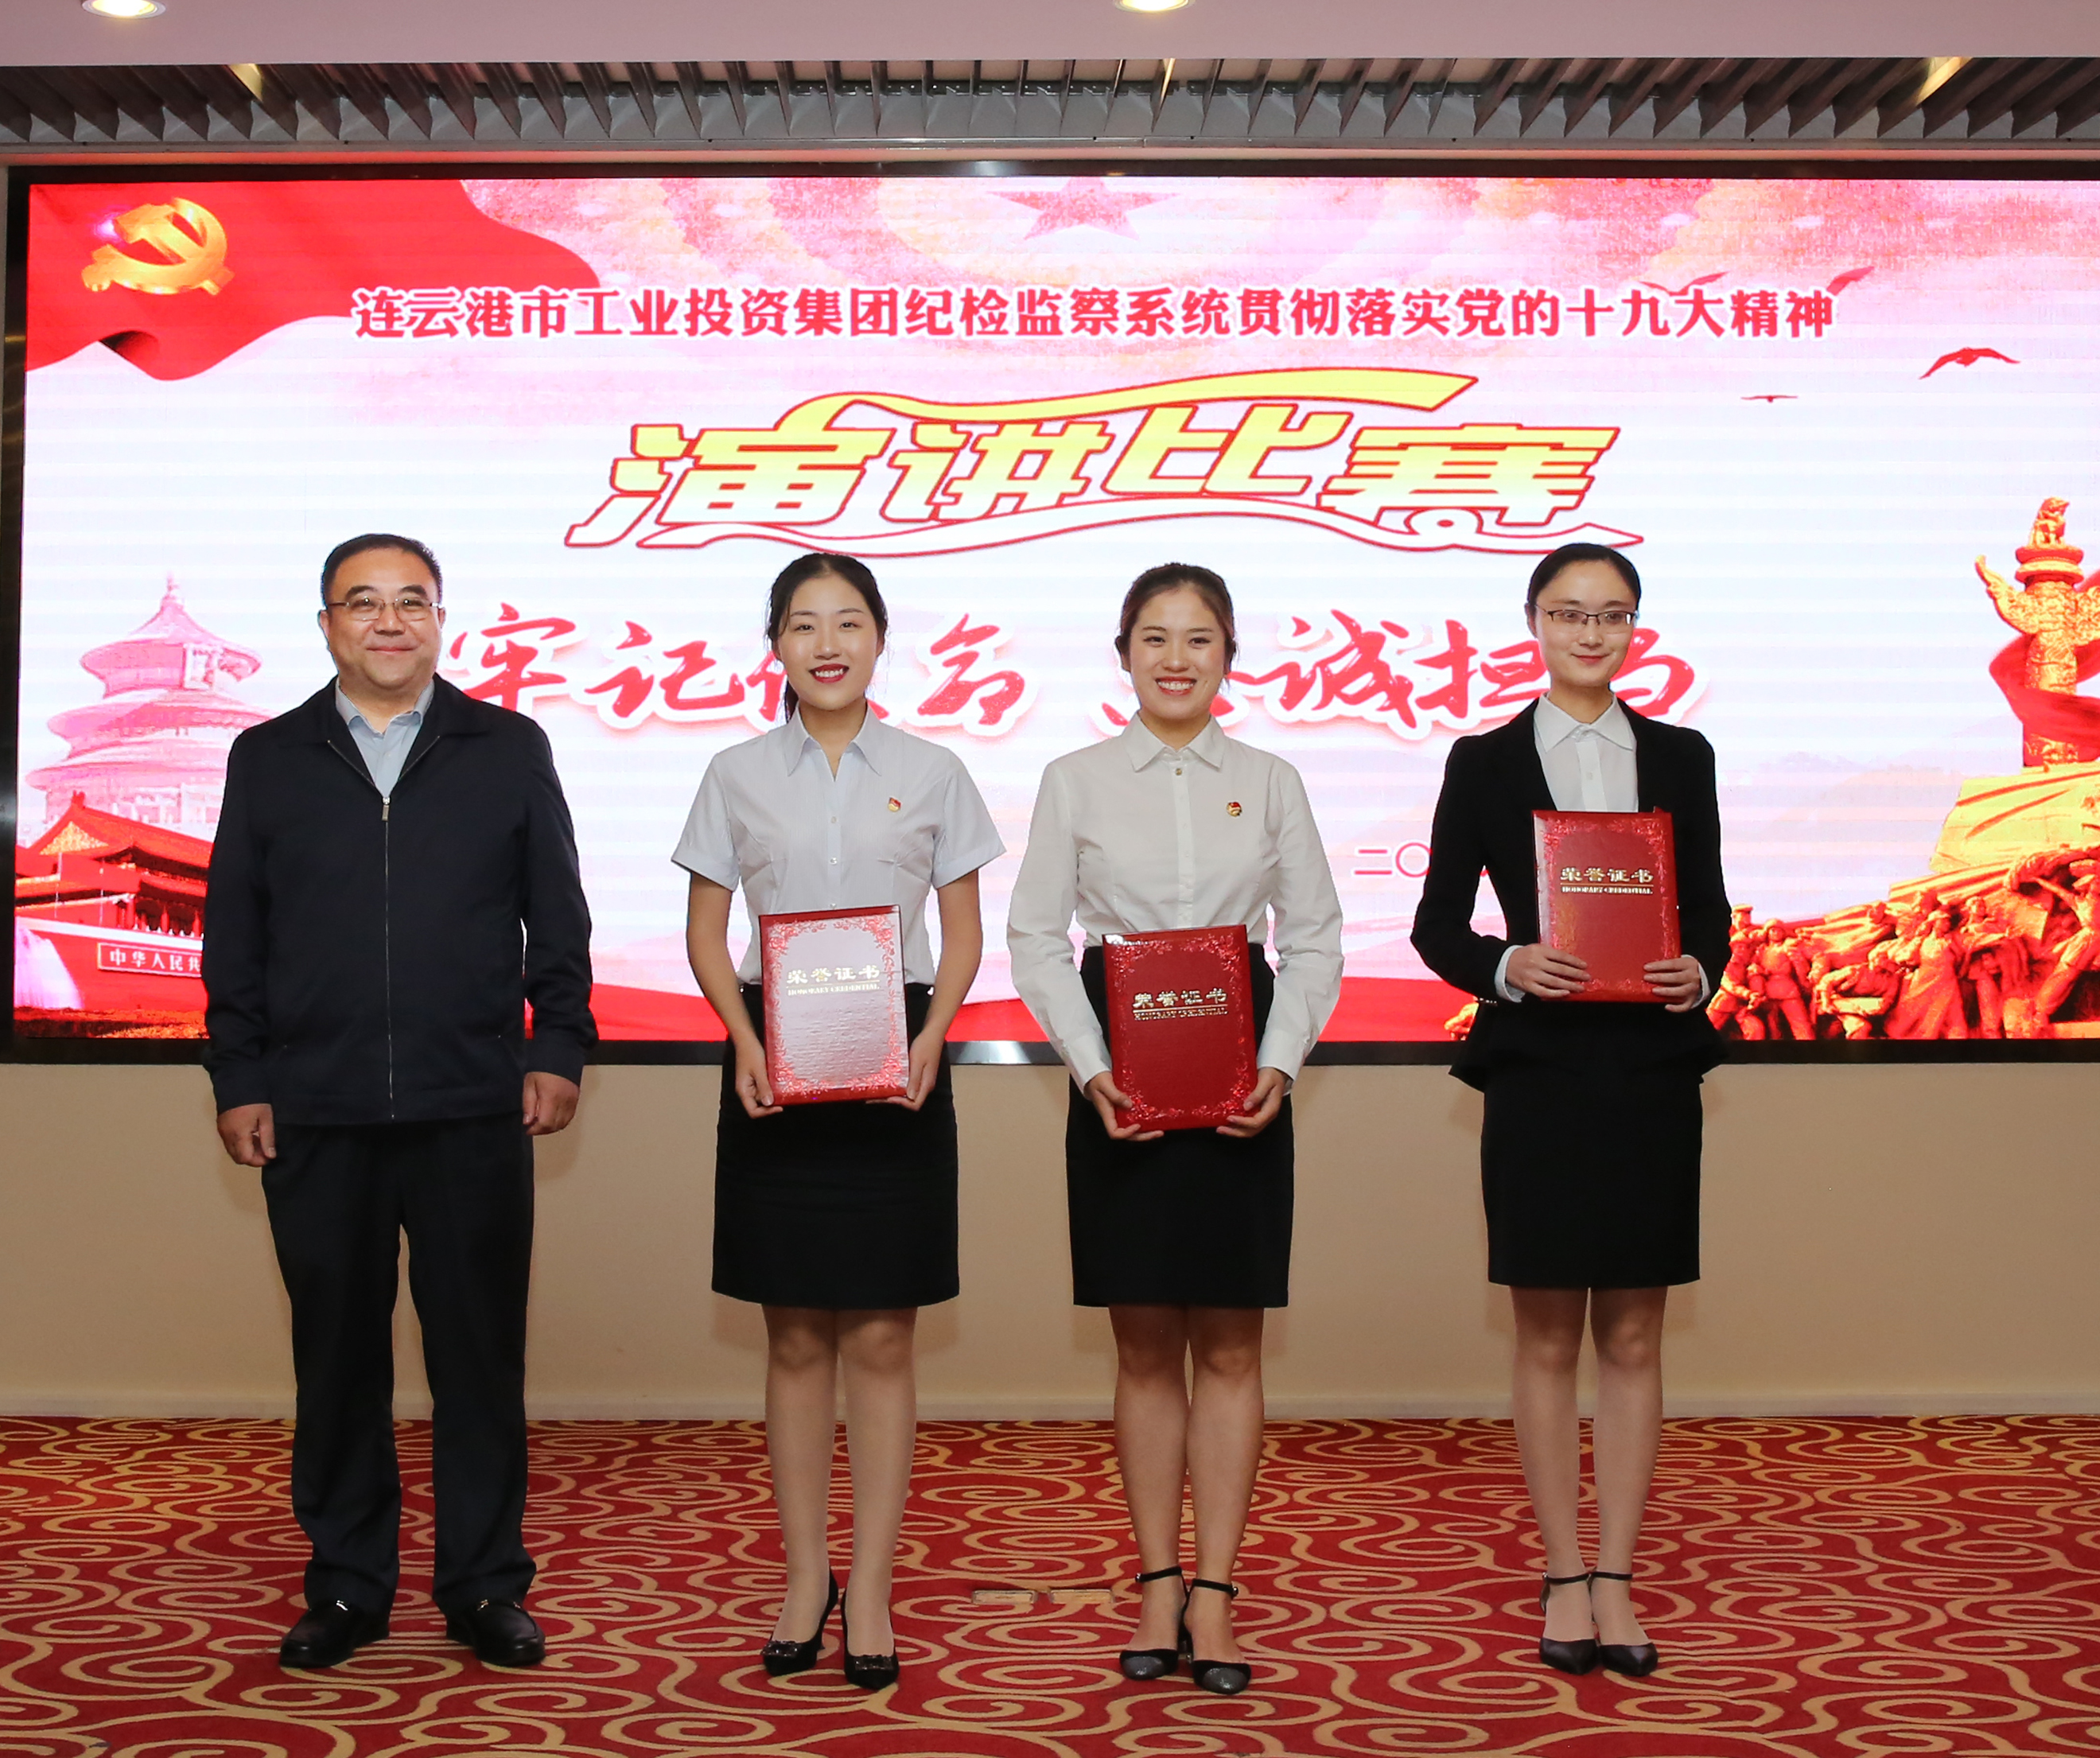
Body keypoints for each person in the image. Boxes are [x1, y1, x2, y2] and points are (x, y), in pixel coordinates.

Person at [204, 532, 596, 1673]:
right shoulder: (269, 756)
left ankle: (484, 1585)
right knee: (336, 1360)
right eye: (362, 602)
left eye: (410, 601)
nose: (388, 621)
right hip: (315, 1108)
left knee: (480, 1359)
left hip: (472, 1102)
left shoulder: (507, 746)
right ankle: (346, 1584)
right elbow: (234, 930)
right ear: (326, 623)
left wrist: (558, 1047)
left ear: (440, 620)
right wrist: (240, 1075)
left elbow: (557, 915)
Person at [1007, 562, 1343, 1698]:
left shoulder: (1272, 779)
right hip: (1121, 1072)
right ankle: (1157, 1579)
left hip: (1244, 1065)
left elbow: (1313, 936)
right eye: (1153, 637)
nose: (1176, 659)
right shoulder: (1075, 780)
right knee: (1145, 1343)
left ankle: (1216, 1592)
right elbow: (1036, 937)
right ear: (1123, 655)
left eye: (1199, 639)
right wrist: (1090, 1065)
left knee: (1233, 1347)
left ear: (1229, 656)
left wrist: (1280, 1061)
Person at [673, 552, 1001, 1694]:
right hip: (775, 1054)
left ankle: (870, 1583)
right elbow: (707, 931)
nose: (828, 643)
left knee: (882, 1336)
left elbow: (961, 932)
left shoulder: (933, 770)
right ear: (774, 644)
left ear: (879, 638)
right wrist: (740, 1036)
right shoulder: (733, 773)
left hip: (895, 1055)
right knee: (795, 1335)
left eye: (849, 622)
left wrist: (936, 1033)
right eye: (804, 624)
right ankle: (804, 1574)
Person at [1407, 542, 1730, 1679]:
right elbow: (1437, 927)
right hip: (1539, 1072)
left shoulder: (1681, 755)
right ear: (1534, 624)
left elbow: (1712, 913)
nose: (1591, 633)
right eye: (1569, 613)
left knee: (1634, 1333)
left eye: (1612, 615)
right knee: (1546, 1334)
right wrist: (1509, 965)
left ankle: (1619, 1575)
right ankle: (1561, 1571)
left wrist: (1699, 969)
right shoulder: (1485, 760)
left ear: (1636, 628)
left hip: (1650, 1073)